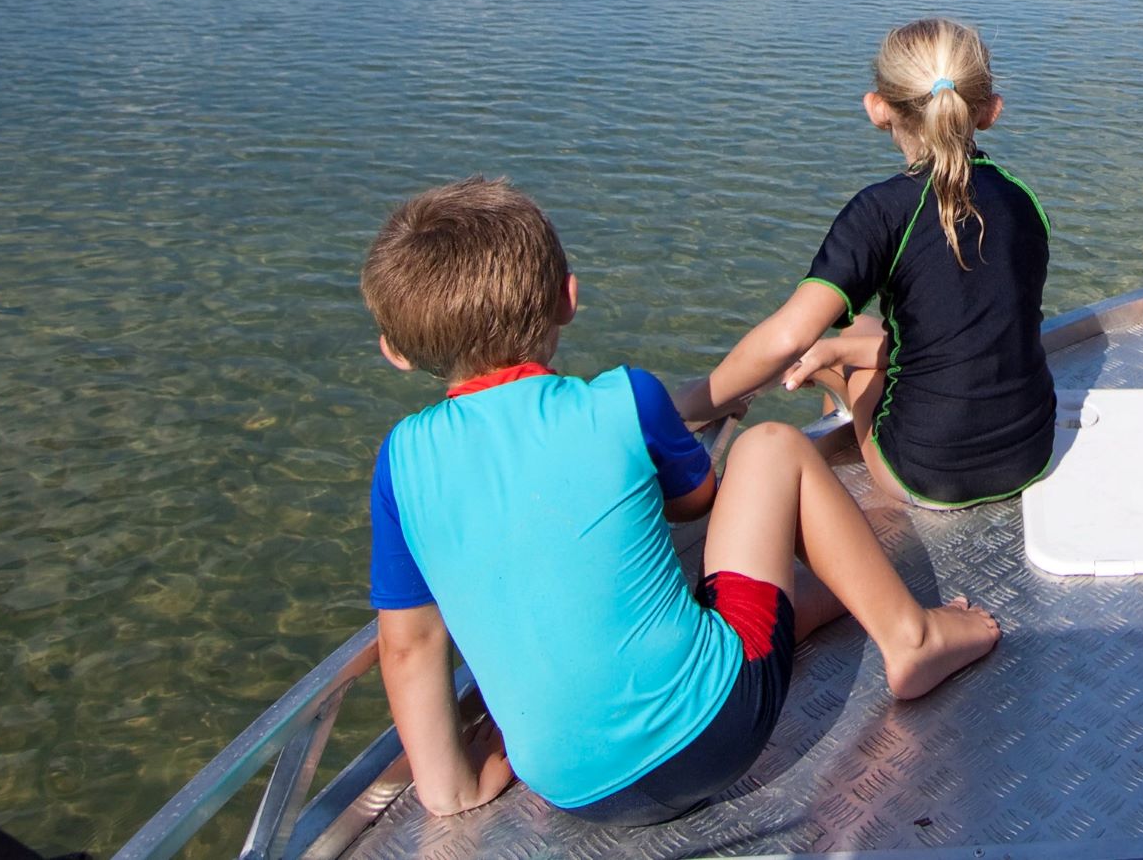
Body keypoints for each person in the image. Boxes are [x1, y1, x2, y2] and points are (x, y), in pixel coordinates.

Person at [361, 177, 998, 825]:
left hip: (573, 792)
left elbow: (409, 643)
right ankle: (911, 635)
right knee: (770, 448)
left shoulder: (400, 462)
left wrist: (452, 789)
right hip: (718, 729)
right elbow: (697, 502)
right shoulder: (622, 399)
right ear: (567, 298)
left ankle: (825, 601)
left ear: (396, 350)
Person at [681, 19, 1057, 509]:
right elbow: (970, 328)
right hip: (1031, 452)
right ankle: (842, 363)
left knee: (844, 343)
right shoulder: (1022, 198)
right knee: (860, 329)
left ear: (877, 108)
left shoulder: (879, 211)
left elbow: (788, 338)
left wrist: (687, 404)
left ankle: (870, 514)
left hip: (926, 473)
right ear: (990, 111)